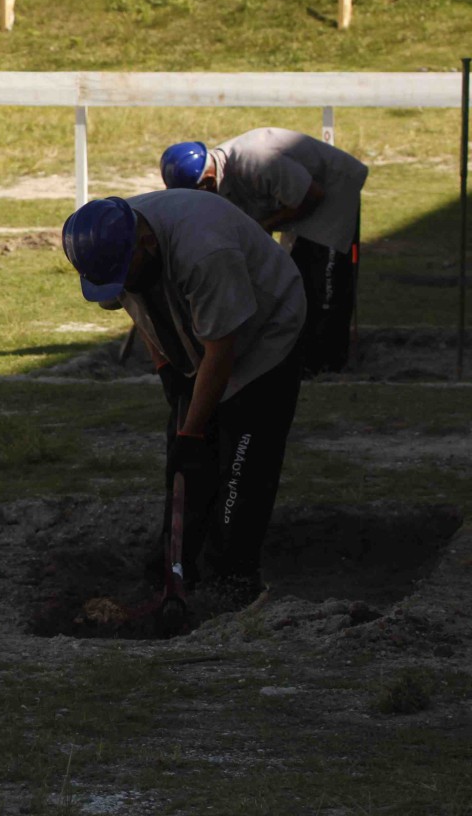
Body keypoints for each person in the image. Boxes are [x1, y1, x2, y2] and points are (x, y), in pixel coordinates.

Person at [62, 190, 305, 607]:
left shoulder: (205, 251)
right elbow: (140, 307)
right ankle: (177, 564)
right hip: (203, 337)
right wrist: (168, 371)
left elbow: (222, 351)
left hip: (266, 333)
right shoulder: (109, 246)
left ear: (148, 243)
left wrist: (192, 432)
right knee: (187, 457)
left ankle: (233, 575)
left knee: (242, 456)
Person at [161, 129, 368, 372]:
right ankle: (305, 352)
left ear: (206, 181)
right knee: (298, 279)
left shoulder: (255, 160)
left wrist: (265, 226)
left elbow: (312, 196)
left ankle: (328, 363)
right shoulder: (218, 177)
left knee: (324, 282)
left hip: (331, 192)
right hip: (296, 200)